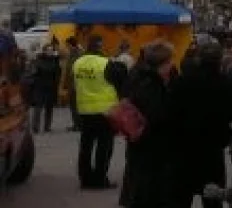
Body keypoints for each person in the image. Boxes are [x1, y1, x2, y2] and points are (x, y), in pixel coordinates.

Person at [168, 40, 232, 208]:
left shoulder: (182, 82)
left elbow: (171, 114)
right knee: (213, 199)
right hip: (212, 152)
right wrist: (225, 138)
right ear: (220, 59)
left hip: (184, 150)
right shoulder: (227, 84)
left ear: (198, 58)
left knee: (180, 198)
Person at [120, 41, 176, 208]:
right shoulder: (153, 87)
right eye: (169, 61)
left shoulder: (138, 76)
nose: (172, 64)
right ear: (162, 63)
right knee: (149, 194)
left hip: (139, 148)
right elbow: (157, 118)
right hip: (152, 152)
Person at [73, 34, 124, 189]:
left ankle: (85, 179)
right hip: (105, 111)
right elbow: (119, 82)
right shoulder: (105, 63)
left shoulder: (78, 62)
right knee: (104, 147)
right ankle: (100, 179)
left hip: (84, 110)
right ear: (100, 45)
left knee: (86, 146)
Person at [30, 43, 61, 133]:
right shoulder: (39, 60)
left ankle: (47, 127)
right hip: (40, 87)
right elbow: (34, 73)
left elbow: (58, 74)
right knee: (38, 108)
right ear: (44, 51)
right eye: (48, 50)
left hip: (51, 87)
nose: (50, 52)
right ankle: (35, 127)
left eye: (51, 50)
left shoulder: (55, 61)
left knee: (49, 108)